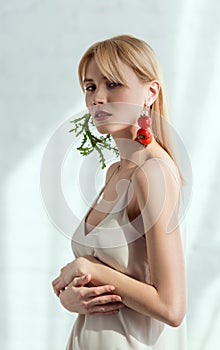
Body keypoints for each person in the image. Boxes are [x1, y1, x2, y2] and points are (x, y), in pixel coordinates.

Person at [52, 34, 188, 350]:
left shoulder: (152, 172)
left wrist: (89, 269)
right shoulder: (117, 171)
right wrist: (71, 297)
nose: (98, 98)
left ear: (150, 92)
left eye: (113, 84)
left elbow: (172, 307)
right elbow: (112, 276)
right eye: (90, 87)